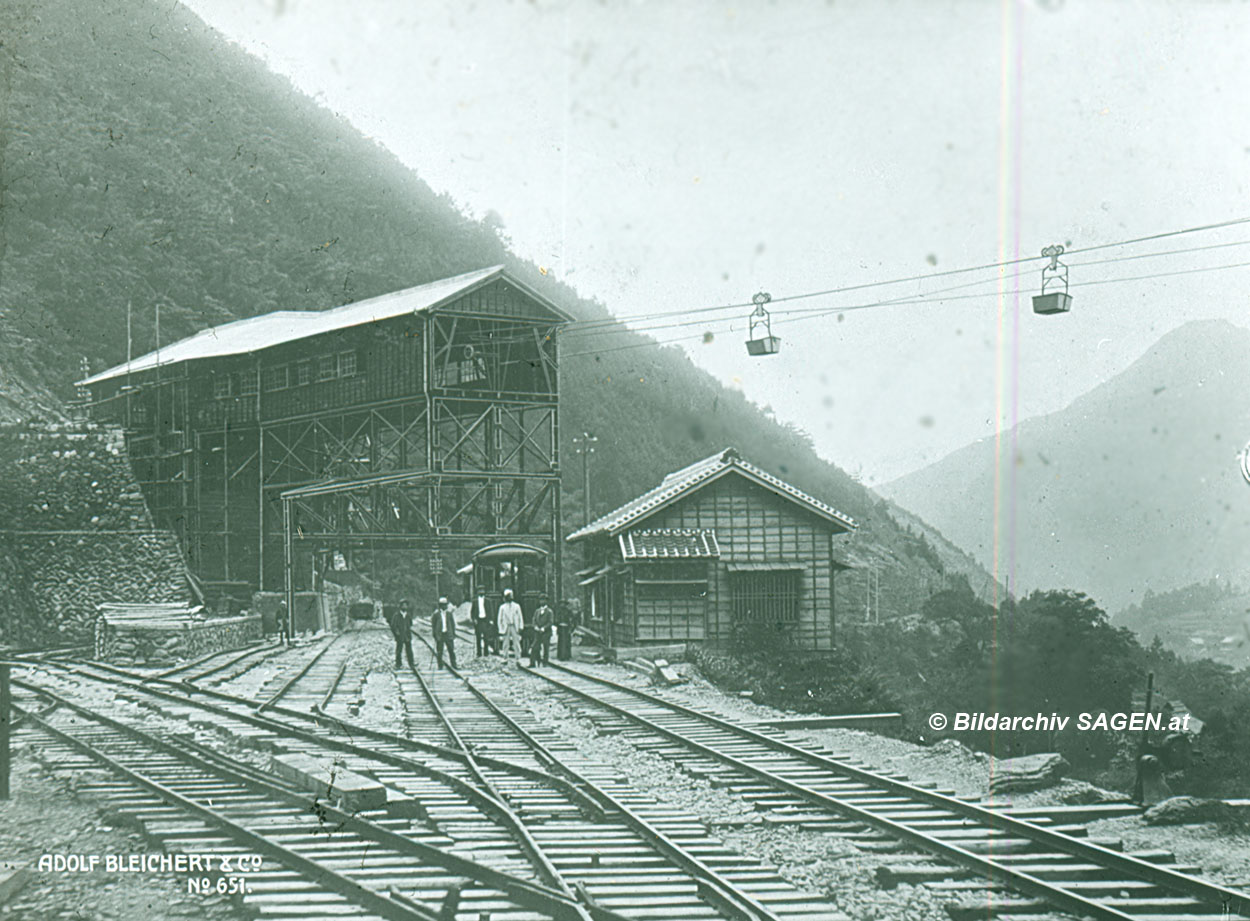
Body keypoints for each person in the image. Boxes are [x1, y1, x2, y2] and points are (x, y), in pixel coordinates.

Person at [431, 596, 458, 670]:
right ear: (440, 605)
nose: (444, 606)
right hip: (440, 635)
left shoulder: (449, 614)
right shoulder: (436, 614)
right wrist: (435, 635)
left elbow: (452, 624)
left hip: (448, 634)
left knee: (451, 650)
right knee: (439, 651)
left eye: (445, 605)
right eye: (442, 605)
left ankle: (454, 664)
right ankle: (440, 666)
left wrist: (453, 633)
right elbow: (433, 625)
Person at [497, 588, 524, 663]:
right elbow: (499, 619)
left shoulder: (517, 606)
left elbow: (520, 616)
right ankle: (505, 657)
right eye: (509, 596)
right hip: (506, 627)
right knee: (505, 643)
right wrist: (500, 629)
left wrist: (521, 626)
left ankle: (518, 657)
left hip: (514, 626)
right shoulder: (502, 607)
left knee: (516, 642)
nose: (510, 597)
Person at [389, 599, 414, 669]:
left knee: (409, 650)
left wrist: (408, 632)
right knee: (399, 650)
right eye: (403, 605)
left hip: (407, 636)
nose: (405, 607)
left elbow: (410, 624)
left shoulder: (408, 615)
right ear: (400, 607)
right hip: (399, 636)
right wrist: (397, 633)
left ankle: (411, 664)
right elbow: (393, 626)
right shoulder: (396, 616)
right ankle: (398, 664)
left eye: (406, 605)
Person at [529, 595, 554, 666]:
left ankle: (545, 662)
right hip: (537, 632)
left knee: (546, 648)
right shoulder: (537, 611)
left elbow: (550, 622)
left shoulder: (549, 611)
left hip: (546, 632)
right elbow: (533, 619)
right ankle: (533, 663)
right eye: (540, 600)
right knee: (534, 647)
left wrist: (544, 628)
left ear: (546, 601)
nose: (542, 601)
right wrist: (535, 626)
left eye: (543, 600)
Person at [471, 588, 492, 657]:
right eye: (480, 590)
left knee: (486, 637)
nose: (481, 592)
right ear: (477, 592)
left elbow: (490, 611)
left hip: (485, 620)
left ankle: (486, 652)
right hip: (478, 621)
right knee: (478, 637)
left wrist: (490, 620)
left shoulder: (488, 601)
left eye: (482, 590)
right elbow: (472, 612)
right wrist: (474, 619)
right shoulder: (475, 601)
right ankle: (479, 653)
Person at [555, 597, 576, 661]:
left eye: (564, 604)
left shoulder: (569, 611)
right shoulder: (558, 611)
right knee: (561, 642)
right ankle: (560, 656)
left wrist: (571, 628)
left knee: (567, 642)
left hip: (567, 628)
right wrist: (558, 623)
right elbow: (556, 620)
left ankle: (567, 656)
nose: (562, 605)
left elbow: (572, 620)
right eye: (561, 603)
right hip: (560, 628)